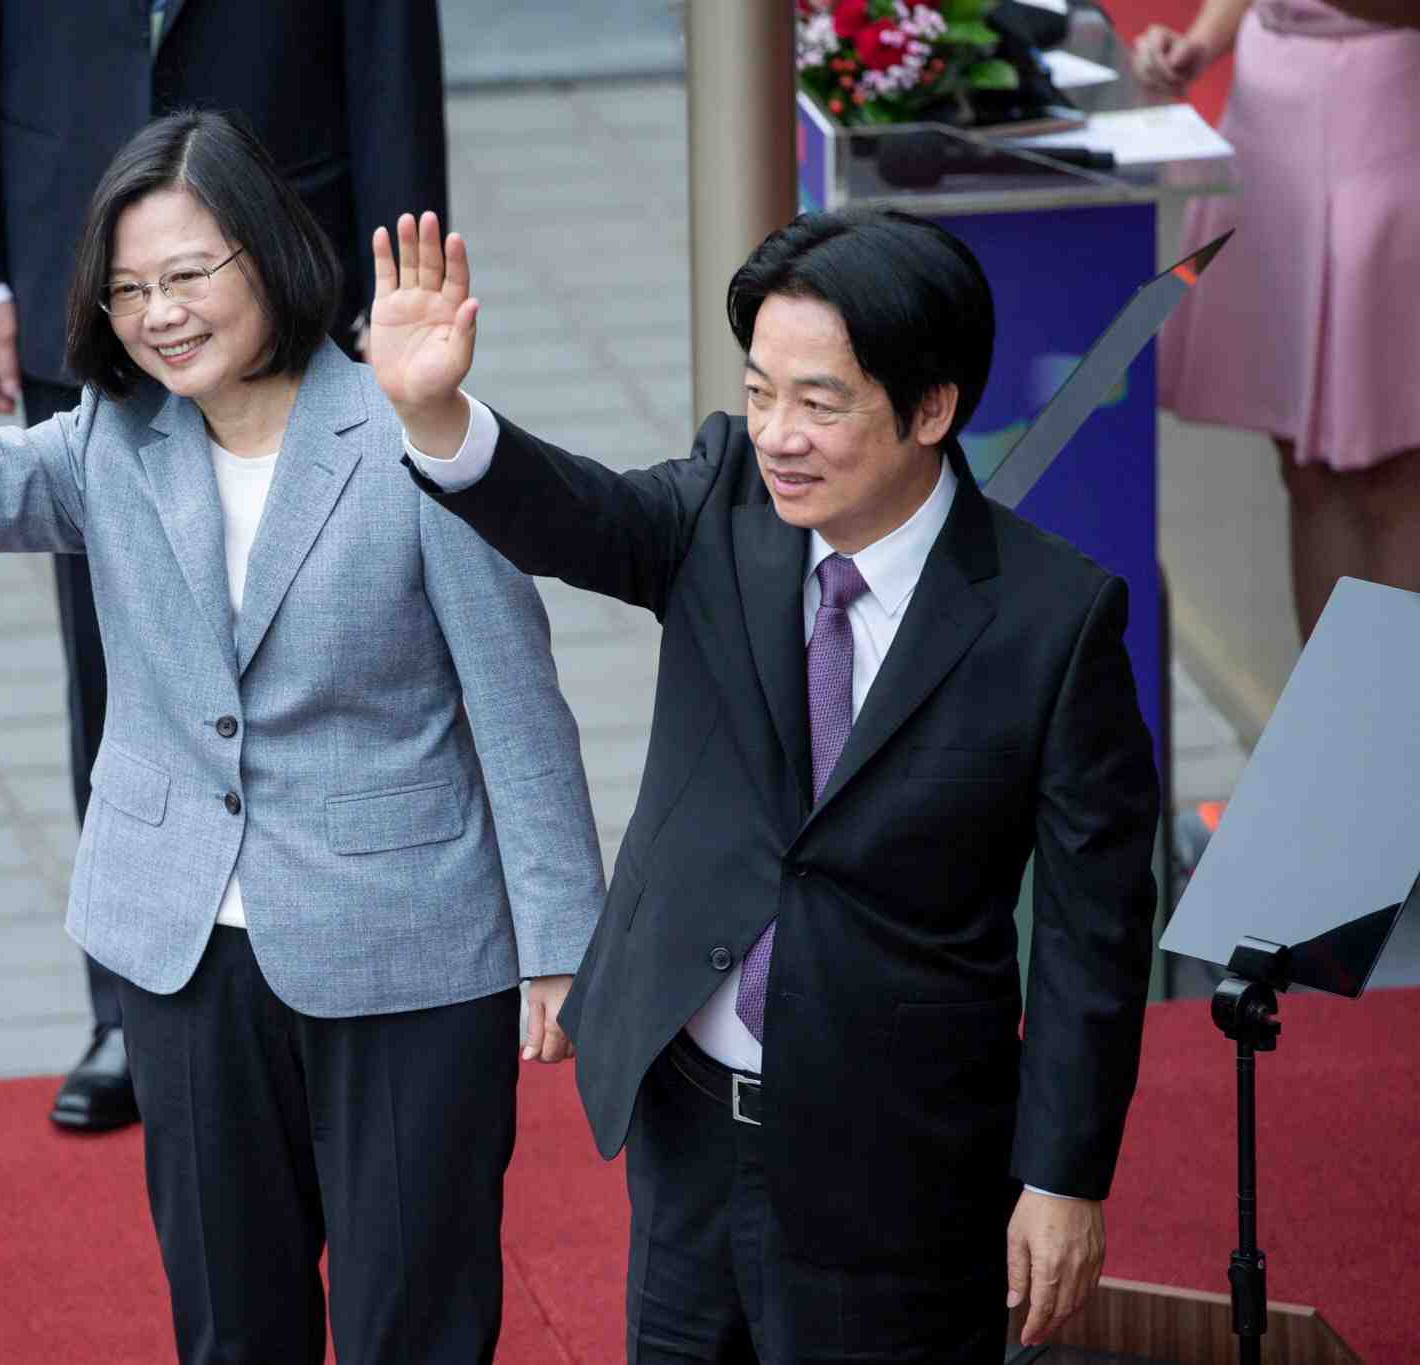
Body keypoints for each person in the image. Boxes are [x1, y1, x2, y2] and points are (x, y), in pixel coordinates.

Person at [0, 111, 602, 1365]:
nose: (161, 315)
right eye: (130, 288)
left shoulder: (412, 435)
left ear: (269, 255)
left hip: (406, 950)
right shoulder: (113, 440)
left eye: (189, 275)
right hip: (182, 950)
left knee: (412, 1323)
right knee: (229, 1324)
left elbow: (518, 705)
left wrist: (558, 941)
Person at [369, 207, 1160, 1361]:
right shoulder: (724, 501)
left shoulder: (1052, 619)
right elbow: (581, 518)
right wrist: (437, 416)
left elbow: (1095, 933)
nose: (777, 436)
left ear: (929, 409)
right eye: (758, 393)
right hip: (689, 1122)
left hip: (898, 1155)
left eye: (818, 403)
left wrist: (1061, 1175)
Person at [0, 0, 450, 1129]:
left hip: (287, 242)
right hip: (75, 236)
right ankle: (133, 995)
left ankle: (322, 955)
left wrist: (391, 282)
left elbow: (388, 49)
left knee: (334, 632)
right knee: (119, 657)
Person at [1135, 0, 1420, 641]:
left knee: (1395, 473)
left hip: (1395, 107)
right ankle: (1332, 705)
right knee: (1304, 466)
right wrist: (1201, 43)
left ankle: (1395, 705)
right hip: (1270, 116)